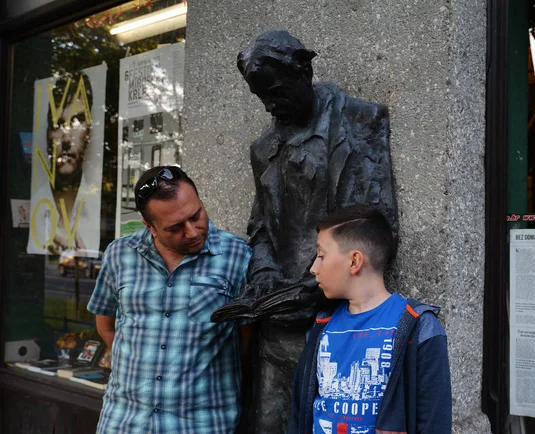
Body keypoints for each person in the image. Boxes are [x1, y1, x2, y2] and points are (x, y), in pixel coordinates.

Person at [213, 30, 399, 433]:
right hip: (278, 323)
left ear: (304, 70)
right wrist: (262, 273)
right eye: (261, 97)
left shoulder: (360, 121)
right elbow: (260, 225)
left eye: (277, 91)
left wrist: (323, 282)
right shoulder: (263, 148)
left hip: (339, 316)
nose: (271, 105)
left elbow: (380, 227)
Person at [87, 166, 252, 434]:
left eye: (196, 215)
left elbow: (247, 340)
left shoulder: (237, 256)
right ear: (149, 226)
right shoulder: (119, 254)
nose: (192, 231)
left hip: (202, 425)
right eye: (175, 227)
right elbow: (105, 323)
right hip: (125, 422)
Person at [289, 204, 452, 434]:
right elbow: (299, 414)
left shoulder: (419, 328)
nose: (314, 268)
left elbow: (434, 423)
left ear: (354, 261)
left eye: (321, 255)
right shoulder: (320, 327)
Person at [46, 72, 94, 253]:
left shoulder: (95, 208)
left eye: (77, 120)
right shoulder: (40, 212)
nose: (66, 139)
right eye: (58, 124)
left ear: (90, 130)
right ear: (48, 134)